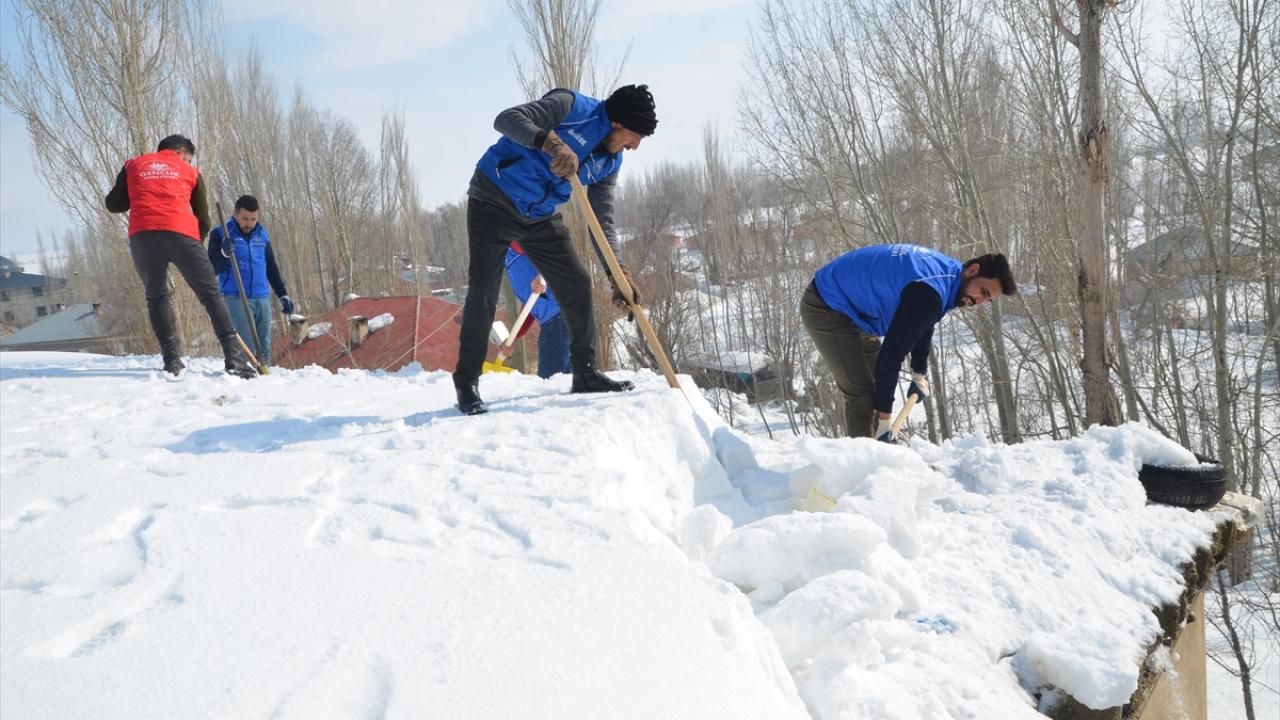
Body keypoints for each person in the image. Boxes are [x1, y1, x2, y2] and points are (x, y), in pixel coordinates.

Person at [453, 84, 657, 415]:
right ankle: (467, 383)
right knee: (484, 289)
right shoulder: (571, 107)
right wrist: (551, 143)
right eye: (634, 137)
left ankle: (585, 372)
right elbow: (506, 119)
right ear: (617, 123)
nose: (634, 147)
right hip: (493, 200)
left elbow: (601, 220)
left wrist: (617, 274)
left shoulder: (611, 161)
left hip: (538, 215)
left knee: (577, 282)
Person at [800, 243, 1016, 441]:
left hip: (856, 309)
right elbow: (891, 357)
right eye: (983, 292)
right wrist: (885, 421)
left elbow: (924, 323)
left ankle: (879, 448)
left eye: (987, 300)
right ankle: (864, 462)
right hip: (826, 305)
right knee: (862, 395)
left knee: (877, 381)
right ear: (972, 270)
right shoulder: (930, 290)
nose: (979, 301)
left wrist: (918, 374)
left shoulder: (948, 278)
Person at [104, 134, 256, 378]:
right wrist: (195, 245)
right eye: (189, 157)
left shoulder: (133, 165)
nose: (188, 161)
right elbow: (203, 218)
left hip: (143, 236)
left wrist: (139, 188)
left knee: (157, 298)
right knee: (211, 295)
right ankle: (234, 360)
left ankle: (172, 361)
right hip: (181, 234)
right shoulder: (190, 171)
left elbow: (114, 204)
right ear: (182, 152)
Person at [207, 195, 294, 367]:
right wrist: (224, 253)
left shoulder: (262, 235)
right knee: (247, 347)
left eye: (253, 219)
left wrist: (283, 294)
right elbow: (211, 269)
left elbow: (271, 268)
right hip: (236, 297)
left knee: (264, 348)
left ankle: (264, 377)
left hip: (262, 298)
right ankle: (246, 377)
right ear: (235, 214)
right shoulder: (221, 234)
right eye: (245, 219)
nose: (249, 223)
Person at [505, 241, 571, 378]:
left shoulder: (515, 244)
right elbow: (530, 305)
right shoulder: (509, 262)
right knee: (567, 383)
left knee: (549, 384)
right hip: (558, 322)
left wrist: (542, 275)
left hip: (559, 320)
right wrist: (515, 337)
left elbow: (550, 250)